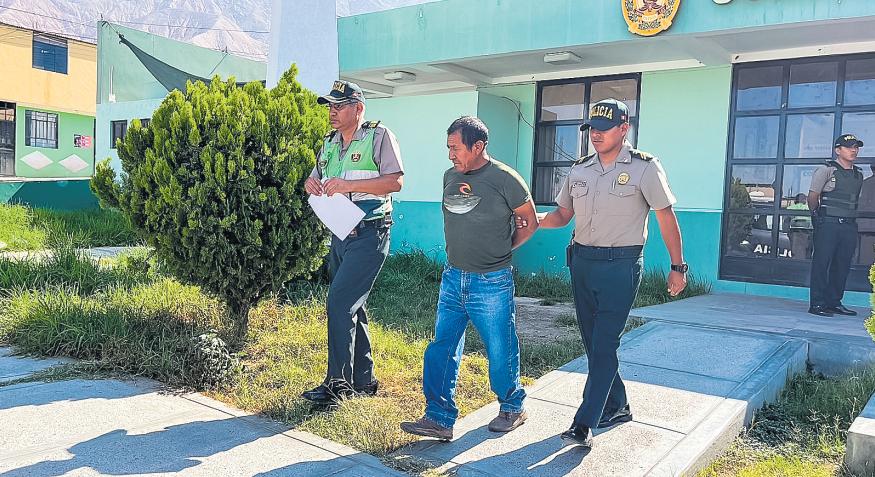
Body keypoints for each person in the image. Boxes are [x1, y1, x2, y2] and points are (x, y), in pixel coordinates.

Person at [519, 99, 687, 449]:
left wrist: (677, 267)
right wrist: (531, 222)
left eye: (604, 128)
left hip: (620, 266)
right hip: (582, 263)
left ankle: (584, 423)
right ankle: (618, 405)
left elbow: (665, 217)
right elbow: (563, 215)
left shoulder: (645, 167)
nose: (596, 134)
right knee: (594, 344)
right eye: (592, 128)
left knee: (605, 343)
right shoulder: (580, 169)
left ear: (624, 129)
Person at [399, 116, 539, 441]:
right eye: (448, 147)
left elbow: (529, 222)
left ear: (478, 146)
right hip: (453, 278)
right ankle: (439, 418)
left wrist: (501, 250)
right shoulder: (450, 176)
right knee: (442, 346)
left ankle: (512, 407)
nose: (451, 155)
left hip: (492, 281)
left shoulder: (505, 179)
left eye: (456, 148)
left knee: (500, 346)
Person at [301, 80, 404, 405]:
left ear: (358, 108)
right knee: (352, 306)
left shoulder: (378, 136)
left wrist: (347, 185)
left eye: (339, 106)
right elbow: (315, 177)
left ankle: (337, 385)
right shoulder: (329, 143)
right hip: (340, 231)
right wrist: (310, 184)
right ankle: (364, 381)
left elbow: (395, 181)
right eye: (330, 106)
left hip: (371, 232)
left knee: (339, 302)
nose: (332, 112)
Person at [806, 134, 864, 317]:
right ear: (838, 150)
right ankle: (817, 304)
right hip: (828, 224)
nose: (854, 150)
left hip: (849, 226)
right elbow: (812, 197)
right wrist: (817, 216)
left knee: (842, 266)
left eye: (856, 147)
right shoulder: (826, 170)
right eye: (849, 147)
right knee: (821, 264)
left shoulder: (859, 174)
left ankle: (834, 302)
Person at [787, 193, 812, 260]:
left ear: (795, 200)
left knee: (796, 253)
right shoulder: (809, 208)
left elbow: (786, 222)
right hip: (807, 232)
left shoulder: (790, 208)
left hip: (794, 231)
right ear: (804, 200)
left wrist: (787, 232)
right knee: (805, 253)